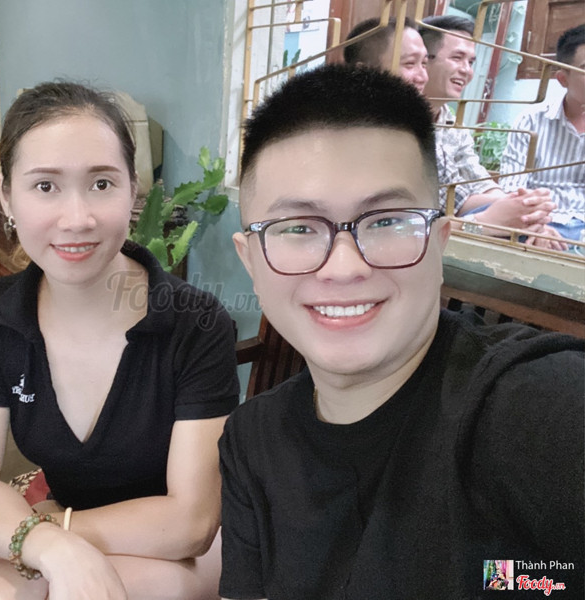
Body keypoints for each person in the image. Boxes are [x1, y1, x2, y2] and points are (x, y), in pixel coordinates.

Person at [219, 64, 583, 599]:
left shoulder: (535, 406)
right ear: (250, 260)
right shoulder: (253, 438)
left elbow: (553, 577)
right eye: (297, 227)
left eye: (387, 221)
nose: (344, 267)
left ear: (440, 242)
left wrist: (510, 579)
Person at [0, 82, 239, 600]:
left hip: (192, 548)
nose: (77, 219)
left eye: (101, 183)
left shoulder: (195, 323)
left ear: (133, 189)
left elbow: (191, 523)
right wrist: (47, 546)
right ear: (6, 195)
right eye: (45, 186)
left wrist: (34, 530)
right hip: (78, 521)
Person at [419, 16, 566, 248]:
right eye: (457, 58)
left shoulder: (450, 122)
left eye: (471, 62)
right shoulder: (397, 124)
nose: (466, 71)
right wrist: (489, 220)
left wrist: (524, 211)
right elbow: (429, 211)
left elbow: (474, 184)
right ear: (423, 61)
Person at [500, 23, 585, 243]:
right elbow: (512, 187)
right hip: (539, 223)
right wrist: (538, 227)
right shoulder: (531, 120)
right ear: (563, 79)